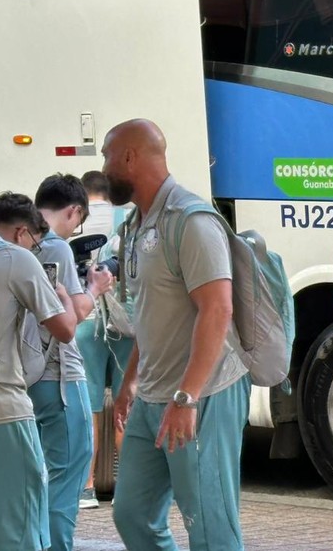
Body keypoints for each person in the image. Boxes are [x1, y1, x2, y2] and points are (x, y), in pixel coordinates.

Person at [104, 119, 250, 551]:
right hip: (152, 395)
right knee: (132, 514)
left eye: (107, 156)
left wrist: (187, 397)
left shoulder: (191, 219)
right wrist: (131, 380)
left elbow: (217, 309)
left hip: (202, 395)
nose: (103, 168)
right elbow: (150, 313)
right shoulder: (136, 224)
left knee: (209, 527)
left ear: (129, 157)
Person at [0, 193, 79, 551]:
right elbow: (65, 329)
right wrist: (65, 297)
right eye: (35, 243)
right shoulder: (15, 258)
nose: (35, 250)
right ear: (21, 232)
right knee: (17, 531)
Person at [32, 174, 116, 551]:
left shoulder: (16, 245)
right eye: (78, 221)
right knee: (69, 468)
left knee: (36, 473)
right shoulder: (57, 248)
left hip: (23, 375)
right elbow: (72, 316)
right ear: (73, 211)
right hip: (60, 375)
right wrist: (94, 287)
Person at [75, 170, 135, 509]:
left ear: (83, 195)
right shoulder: (127, 219)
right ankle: (128, 485)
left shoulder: (77, 220)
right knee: (127, 402)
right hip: (125, 323)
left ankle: (86, 488)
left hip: (86, 322)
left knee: (90, 405)